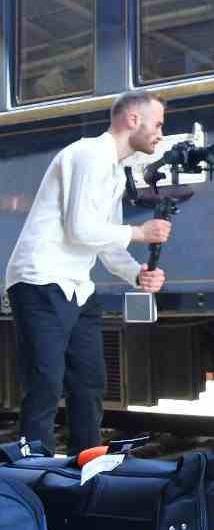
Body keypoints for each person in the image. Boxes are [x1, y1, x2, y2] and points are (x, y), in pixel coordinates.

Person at [5, 91, 170, 452]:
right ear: (132, 120)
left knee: (89, 382)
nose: (160, 133)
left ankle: (87, 464)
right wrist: (139, 232)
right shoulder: (89, 154)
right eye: (157, 124)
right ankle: (33, 470)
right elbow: (80, 228)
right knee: (46, 380)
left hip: (77, 285)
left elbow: (106, 243)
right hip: (41, 278)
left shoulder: (113, 169)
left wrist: (136, 275)